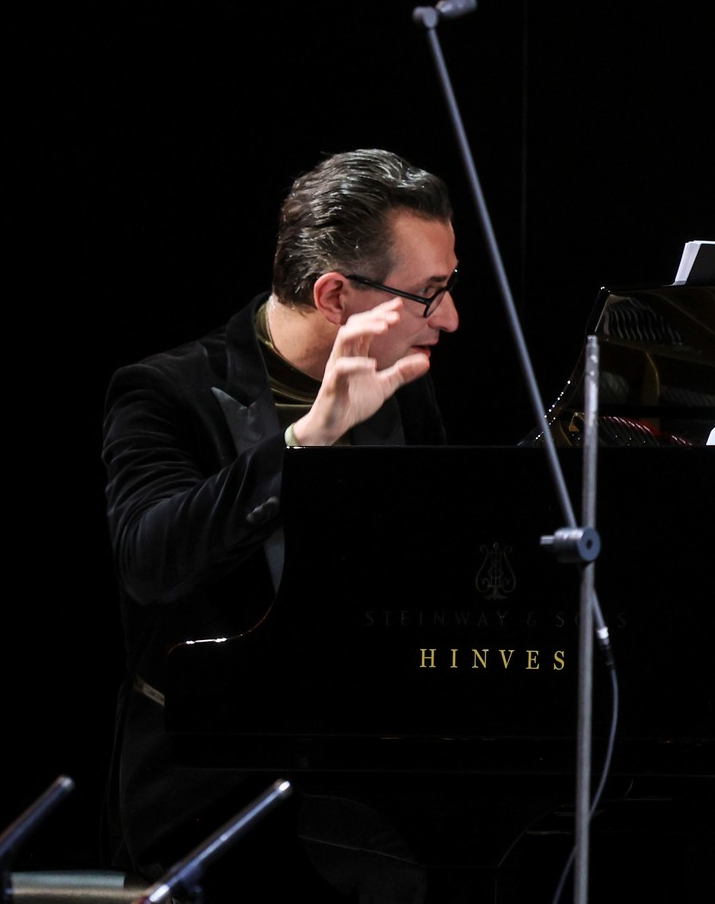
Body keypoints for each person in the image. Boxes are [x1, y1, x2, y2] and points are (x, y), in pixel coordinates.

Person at [103, 147, 460, 899]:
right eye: (430, 293)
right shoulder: (166, 392)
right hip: (213, 794)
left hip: (370, 791)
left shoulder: (408, 392)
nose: (450, 318)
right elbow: (152, 557)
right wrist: (306, 439)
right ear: (335, 295)